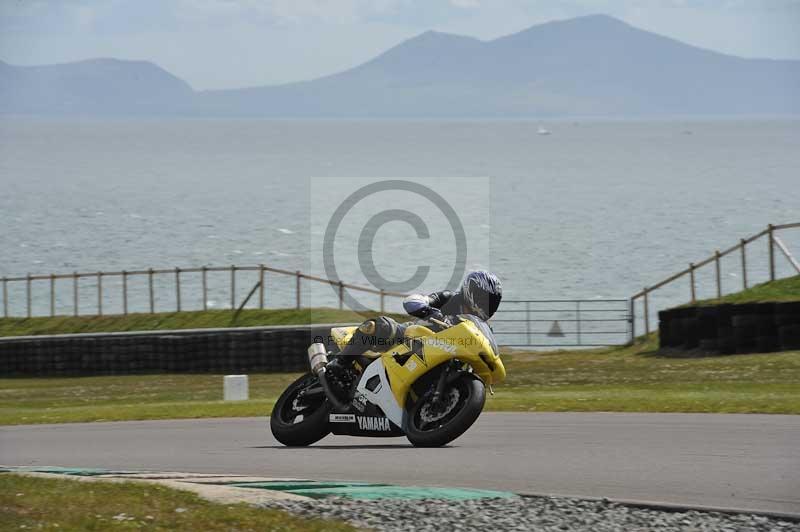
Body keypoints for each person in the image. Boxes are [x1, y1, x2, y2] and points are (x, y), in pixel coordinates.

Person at [336, 270, 502, 361]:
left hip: (443, 356)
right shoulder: (449, 298)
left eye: (493, 302)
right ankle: (340, 364)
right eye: (486, 300)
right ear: (472, 292)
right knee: (383, 326)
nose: (489, 306)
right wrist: (430, 311)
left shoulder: (484, 330)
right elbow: (412, 301)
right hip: (412, 336)